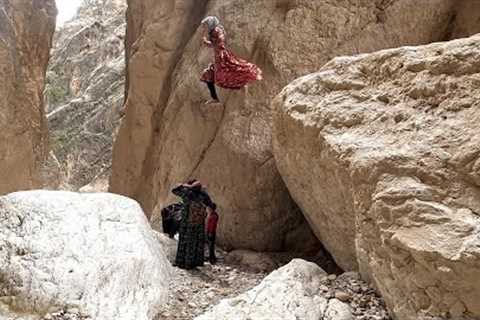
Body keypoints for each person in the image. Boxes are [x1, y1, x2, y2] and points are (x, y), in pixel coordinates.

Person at [200, 16, 263, 104]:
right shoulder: (213, 32)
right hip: (218, 58)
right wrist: (206, 41)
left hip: (222, 58)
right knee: (208, 75)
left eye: (206, 25)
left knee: (227, 75)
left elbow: (219, 44)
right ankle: (214, 98)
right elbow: (215, 44)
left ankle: (243, 88)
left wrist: (206, 41)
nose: (205, 27)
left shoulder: (217, 31)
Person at [172, 179, 214, 269]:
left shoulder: (187, 193)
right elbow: (212, 205)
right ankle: (196, 262)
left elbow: (174, 190)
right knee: (197, 242)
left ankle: (183, 262)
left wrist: (185, 185)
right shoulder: (203, 195)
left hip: (187, 222)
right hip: (199, 222)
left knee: (185, 241)